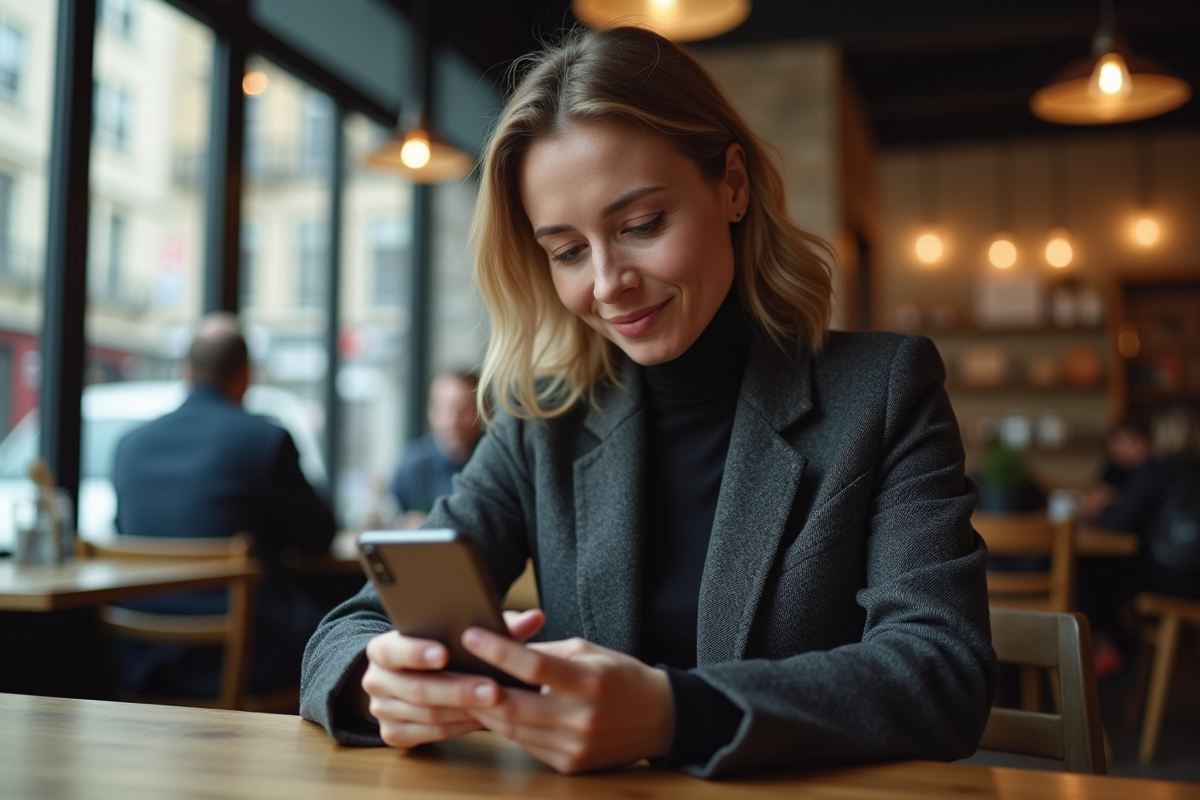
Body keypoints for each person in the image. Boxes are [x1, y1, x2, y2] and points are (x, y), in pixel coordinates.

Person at [301, 26, 994, 778]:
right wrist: (381, 678)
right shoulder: (546, 422)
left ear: (732, 185)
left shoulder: (884, 391)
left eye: (640, 226)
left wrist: (670, 713)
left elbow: (942, 670)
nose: (606, 284)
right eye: (566, 251)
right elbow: (351, 627)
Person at [112, 313, 336, 698]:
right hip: (249, 653)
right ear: (246, 375)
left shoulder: (129, 445)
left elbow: (122, 533)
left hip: (142, 652)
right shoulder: (263, 441)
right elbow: (319, 535)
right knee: (341, 627)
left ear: (186, 373)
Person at [388, 371, 484, 529]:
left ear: (483, 410)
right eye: (445, 409)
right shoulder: (411, 465)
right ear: (432, 411)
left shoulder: (495, 463)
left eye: (463, 410)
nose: (453, 421)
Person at [1078, 416, 1151, 523]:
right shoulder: (1114, 466)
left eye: (1120, 441)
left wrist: (1115, 499)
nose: (1114, 447)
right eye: (1112, 442)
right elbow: (1096, 496)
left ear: (1140, 443)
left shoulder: (1151, 472)